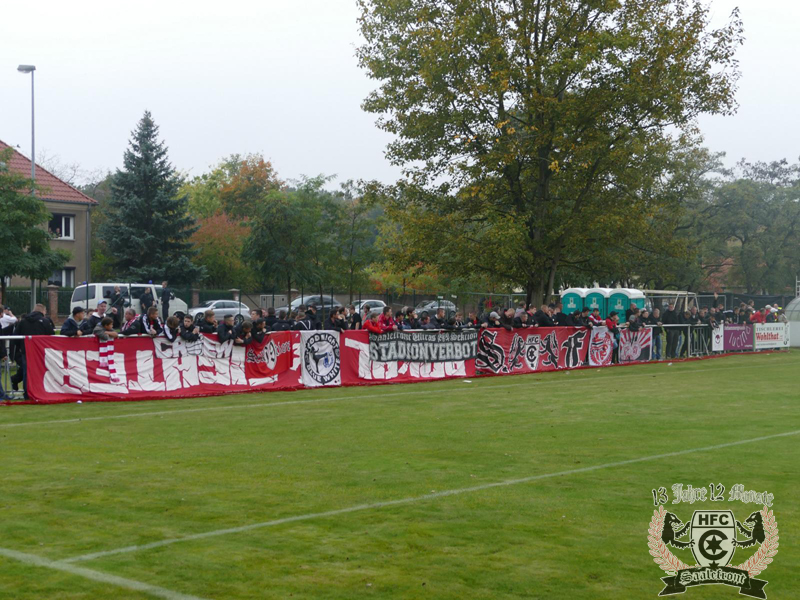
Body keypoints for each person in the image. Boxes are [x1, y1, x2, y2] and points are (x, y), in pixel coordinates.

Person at [12, 304, 55, 399]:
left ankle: (27, 393)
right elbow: (51, 336)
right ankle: (40, 391)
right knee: (41, 371)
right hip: (40, 352)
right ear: (43, 311)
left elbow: (15, 337)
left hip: (26, 351)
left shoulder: (23, 321)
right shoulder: (45, 321)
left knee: (26, 372)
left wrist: (21, 347)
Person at [93, 316, 121, 384]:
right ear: (106, 325)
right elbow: (105, 337)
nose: (112, 326)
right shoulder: (98, 329)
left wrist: (107, 332)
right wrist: (108, 333)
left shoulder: (106, 328)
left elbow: (116, 334)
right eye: (111, 324)